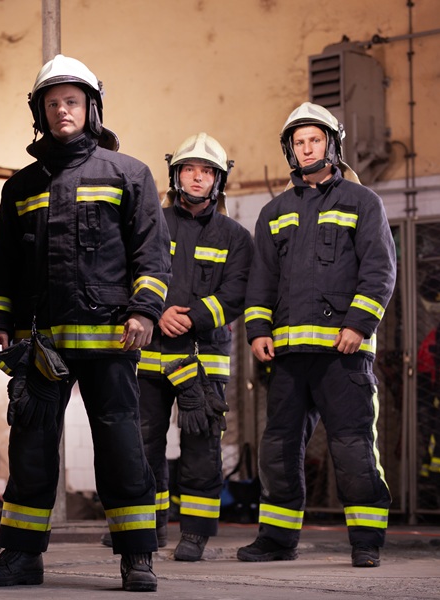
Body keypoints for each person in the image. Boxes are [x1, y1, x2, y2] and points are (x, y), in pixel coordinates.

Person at [0, 54, 171, 593]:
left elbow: (152, 256)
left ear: (91, 108)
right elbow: (6, 270)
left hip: (111, 337)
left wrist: (144, 310)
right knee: (31, 449)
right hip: (41, 344)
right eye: (53, 103)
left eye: (72, 101)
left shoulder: (128, 174)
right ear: (40, 113)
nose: (63, 110)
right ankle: (20, 557)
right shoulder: (20, 187)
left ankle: (137, 557)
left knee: (121, 447)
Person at [239, 101, 395, 567]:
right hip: (287, 354)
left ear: (332, 144)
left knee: (351, 445)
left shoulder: (363, 202)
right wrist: (257, 329)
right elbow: (261, 279)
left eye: (315, 139)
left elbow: (380, 271)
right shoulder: (275, 211)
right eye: (299, 141)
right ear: (291, 149)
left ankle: (366, 540)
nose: (307, 148)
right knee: (278, 446)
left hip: (342, 353)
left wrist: (358, 325)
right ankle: (278, 539)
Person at [134, 133, 252, 561]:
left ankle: (196, 533)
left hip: (203, 360)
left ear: (219, 180)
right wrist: (158, 310)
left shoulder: (235, 237)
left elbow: (237, 293)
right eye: (189, 169)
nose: (197, 177)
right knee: (144, 441)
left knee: (201, 445)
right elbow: (132, 273)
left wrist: (192, 316)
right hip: (149, 355)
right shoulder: (150, 223)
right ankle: (149, 526)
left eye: (206, 171)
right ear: (175, 174)